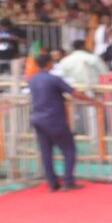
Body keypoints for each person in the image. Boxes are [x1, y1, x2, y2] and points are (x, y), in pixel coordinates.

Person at [27, 48, 89, 192]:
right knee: (69, 149)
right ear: (49, 63)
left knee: (46, 152)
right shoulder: (53, 79)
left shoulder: (32, 80)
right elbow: (74, 93)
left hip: (38, 118)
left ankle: (52, 183)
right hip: (54, 119)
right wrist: (93, 101)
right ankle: (68, 181)